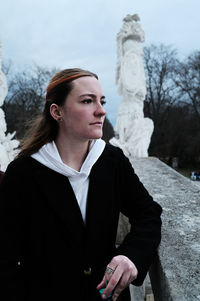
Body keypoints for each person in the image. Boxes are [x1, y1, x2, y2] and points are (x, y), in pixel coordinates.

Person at [0, 68, 162, 301]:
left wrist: (131, 256)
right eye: (88, 101)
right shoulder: (23, 173)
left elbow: (148, 213)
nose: (101, 110)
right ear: (57, 112)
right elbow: (4, 256)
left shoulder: (112, 161)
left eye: (102, 101)